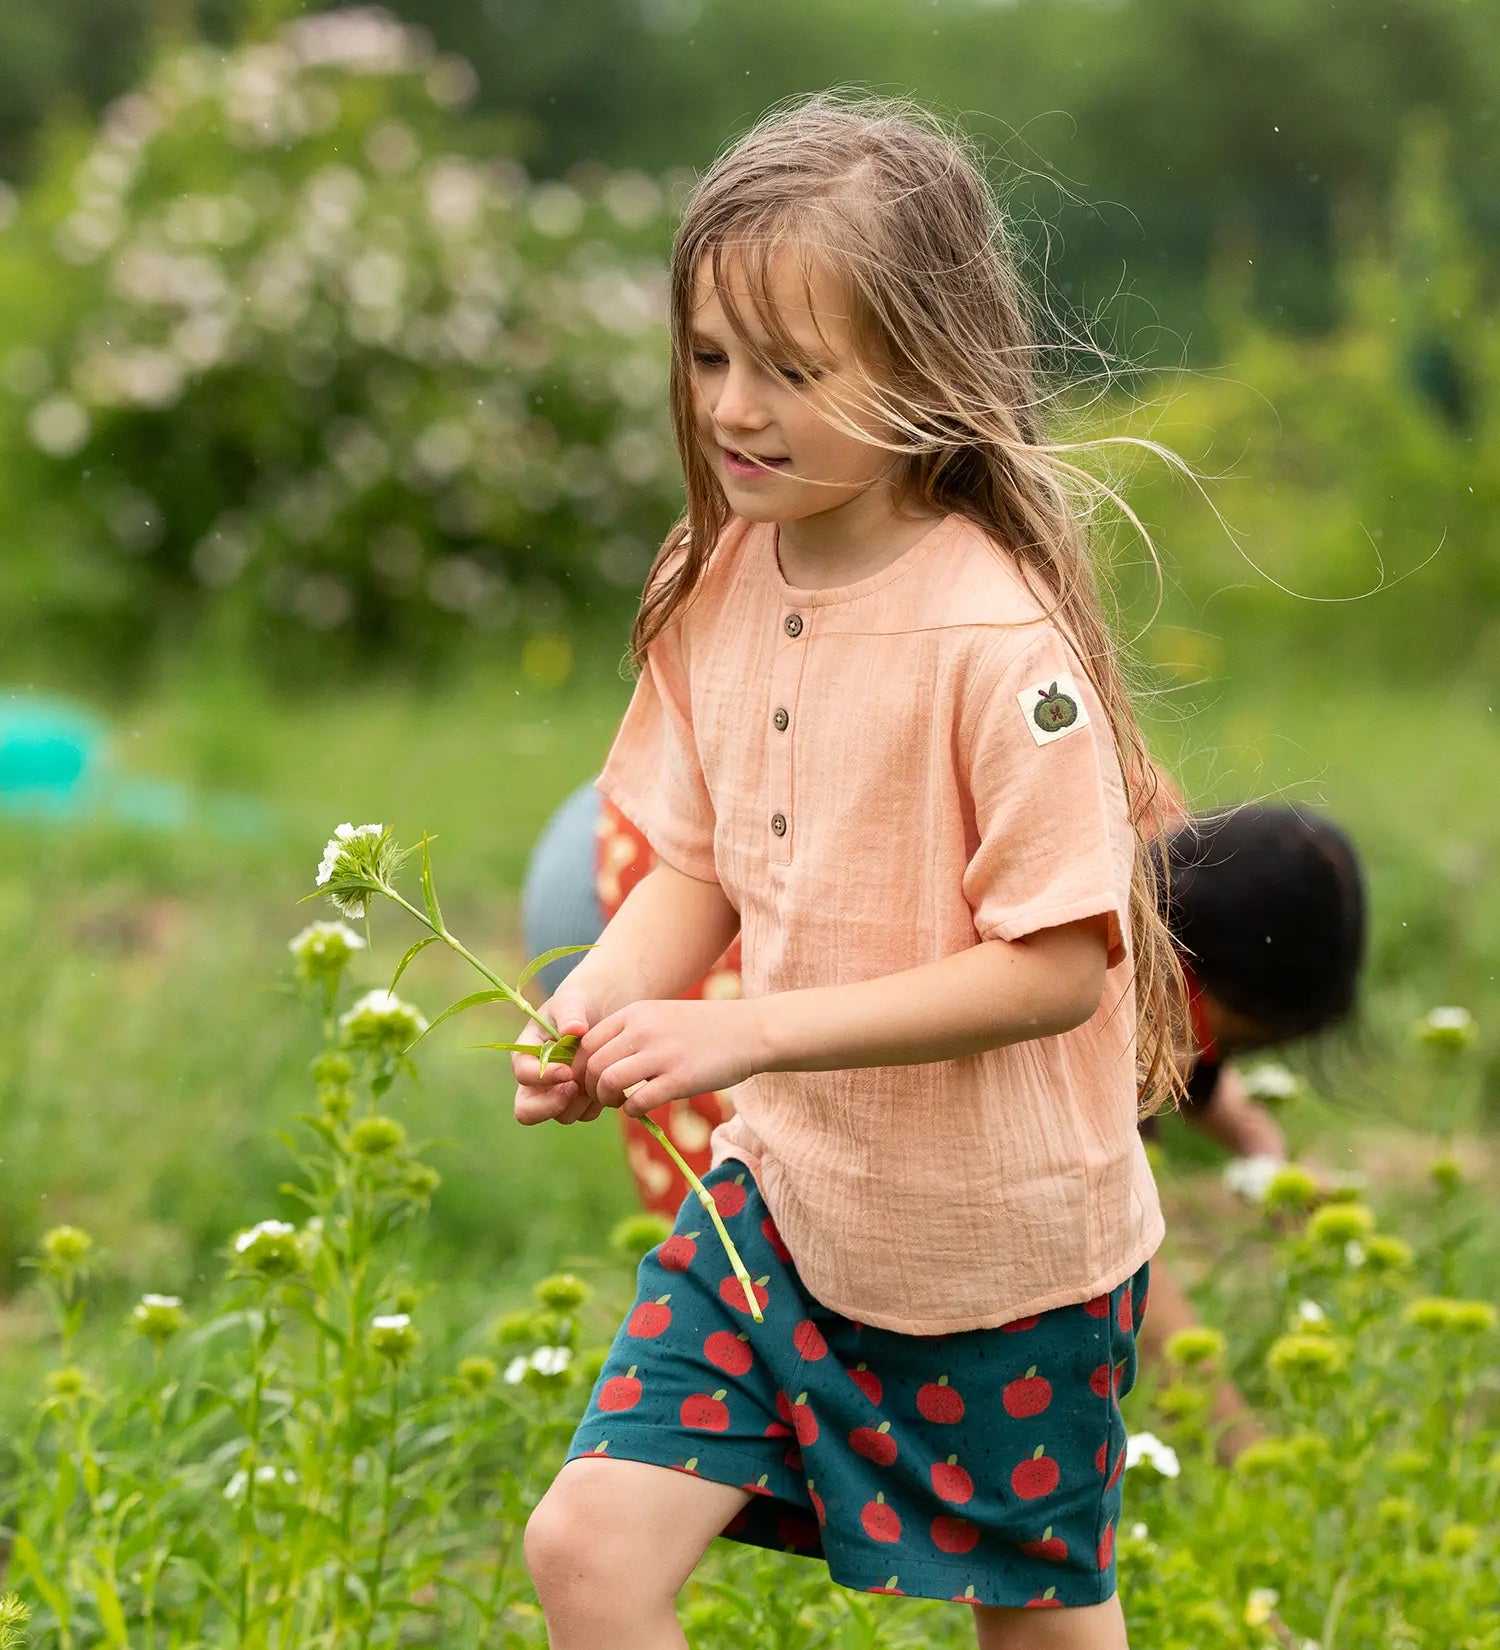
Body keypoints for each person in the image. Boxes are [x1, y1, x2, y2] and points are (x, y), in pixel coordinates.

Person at [511, 93, 1185, 1649]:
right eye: (707, 356)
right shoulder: (712, 571)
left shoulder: (997, 643)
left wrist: (742, 1029)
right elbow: (698, 860)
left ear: (924, 372)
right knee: (589, 1551)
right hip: (787, 1197)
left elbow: (1055, 967)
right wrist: (601, 1000)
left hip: (1007, 1249)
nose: (735, 407)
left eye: (792, 370)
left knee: (1039, 1617)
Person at [524, 788, 1367, 1464]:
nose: (1200, 1062)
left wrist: (1263, 1152)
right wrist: (1241, 1444)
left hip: (631, 809)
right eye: (1227, 1038)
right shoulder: (1090, 981)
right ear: (1204, 987)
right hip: (631, 898)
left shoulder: (1146, 846)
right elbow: (1117, 1239)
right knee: (764, 1243)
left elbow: (1190, 1055)